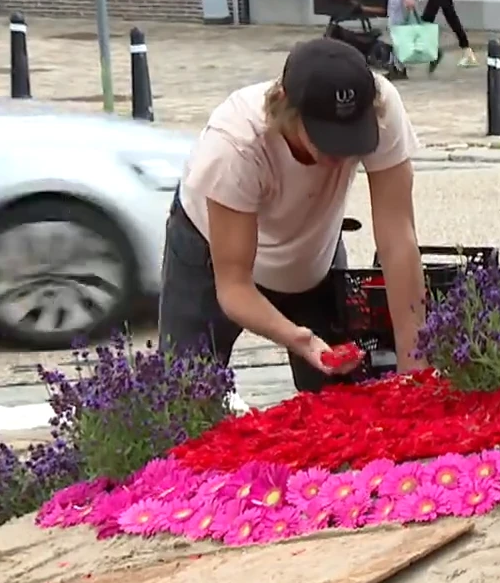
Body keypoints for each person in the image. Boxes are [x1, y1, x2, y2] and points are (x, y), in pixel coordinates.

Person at [159, 38, 429, 393]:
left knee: (341, 405)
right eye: (328, 139)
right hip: (210, 253)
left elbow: (398, 238)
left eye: (353, 139)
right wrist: (298, 339)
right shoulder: (234, 145)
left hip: (313, 251)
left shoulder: (380, 105)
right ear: (287, 108)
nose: (342, 154)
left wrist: (416, 370)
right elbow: (235, 285)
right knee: (181, 399)